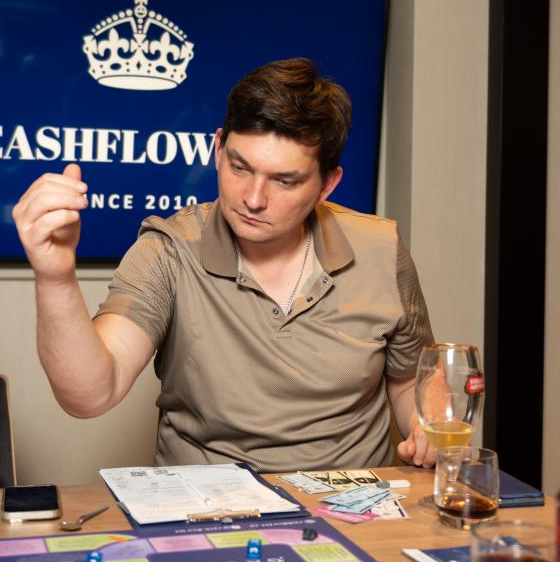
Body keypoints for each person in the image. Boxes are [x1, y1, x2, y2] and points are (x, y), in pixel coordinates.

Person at [13, 58, 436, 471]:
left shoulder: (381, 248)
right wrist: (55, 277)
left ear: (328, 184)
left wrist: (427, 427)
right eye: (239, 167)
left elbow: (410, 383)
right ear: (218, 149)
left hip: (348, 502)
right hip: (208, 504)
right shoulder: (168, 250)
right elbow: (90, 395)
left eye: (284, 181)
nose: (253, 198)